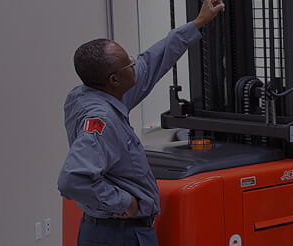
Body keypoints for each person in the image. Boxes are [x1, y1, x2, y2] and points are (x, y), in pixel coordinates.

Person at [56, 1, 224, 245]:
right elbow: (72, 179)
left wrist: (198, 23)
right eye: (129, 64)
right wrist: (124, 202)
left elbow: (153, 60)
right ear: (114, 79)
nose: (135, 64)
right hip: (120, 234)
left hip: (107, 230)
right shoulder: (102, 120)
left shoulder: (89, 93)